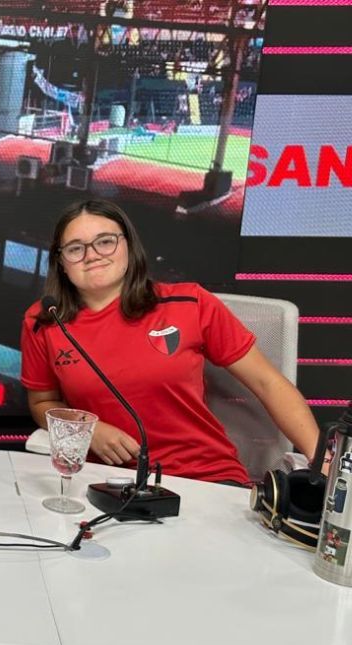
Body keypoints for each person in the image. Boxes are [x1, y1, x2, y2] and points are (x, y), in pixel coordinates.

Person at [20, 199, 319, 484]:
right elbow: (42, 403)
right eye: (75, 248)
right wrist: (88, 429)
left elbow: (269, 384)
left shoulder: (190, 303)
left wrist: (325, 465)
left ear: (128, 246)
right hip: (103, 481)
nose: (92, 254)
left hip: (205, 477)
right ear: (61, 263)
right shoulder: (44, 320)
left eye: (105, 241)